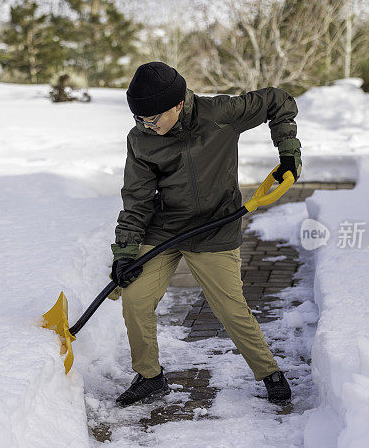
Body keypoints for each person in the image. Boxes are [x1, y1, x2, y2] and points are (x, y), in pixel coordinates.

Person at [110, 62, 301, 407]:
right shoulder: (141, 138)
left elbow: (279, 100)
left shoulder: (220, 114)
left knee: (229, 307)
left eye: (153, 119)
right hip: (165, 228)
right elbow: (137, 198)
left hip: (215, 228)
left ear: (178, 104)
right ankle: (150, 377)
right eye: (140, 119)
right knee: (135, 298)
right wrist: (125, 251)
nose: (146, 126)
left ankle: (269, 372)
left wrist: (288, 150)